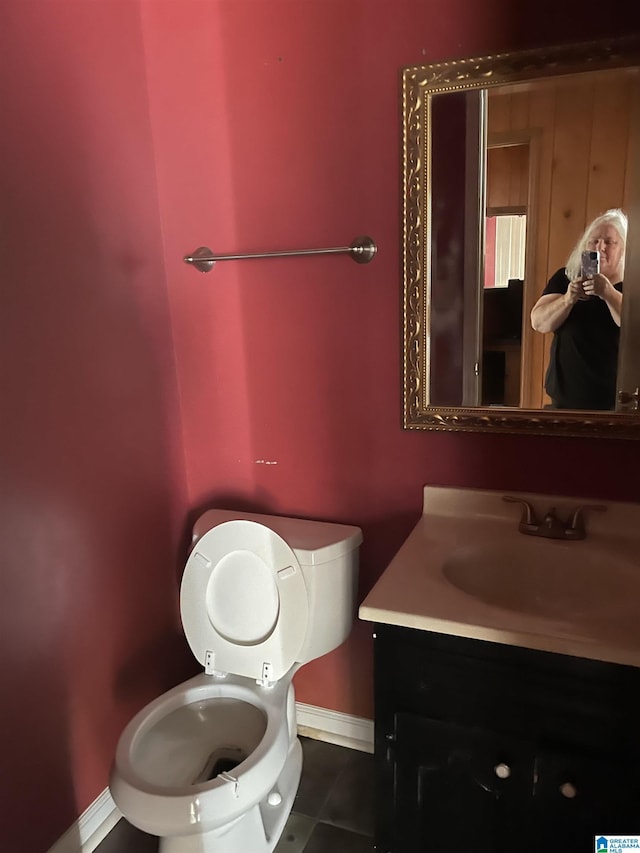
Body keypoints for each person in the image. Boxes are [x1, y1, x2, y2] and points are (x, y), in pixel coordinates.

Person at [530, 208, 626, 410]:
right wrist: (568, 299)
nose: (600, 248)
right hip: (565, 401)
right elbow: (538, 322)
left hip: (615, 404)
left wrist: (607, 292)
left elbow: (632, 325)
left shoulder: (632, 286)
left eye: (609, 242)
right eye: (594, 241)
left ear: (624, 249)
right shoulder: (566, 277)